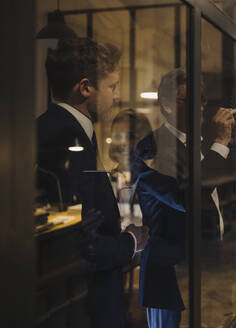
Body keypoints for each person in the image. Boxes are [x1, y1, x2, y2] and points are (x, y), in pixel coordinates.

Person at [37, 38, 149, 328]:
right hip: (83, 304)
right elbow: (82, 244)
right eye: (112, 86)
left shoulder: (59, 129)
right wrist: (132, 241)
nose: (118, 95)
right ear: (86, 88)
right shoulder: (67, 138)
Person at [135, 68, 235, 328]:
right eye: (189, 101)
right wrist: (222, 142)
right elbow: (190, 198)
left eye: (201, 100)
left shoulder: (199, 144)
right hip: (169, 272)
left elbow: (220, 191)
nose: (200, 108)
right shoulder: (153, 147)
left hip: (204, 267)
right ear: (167, 105)